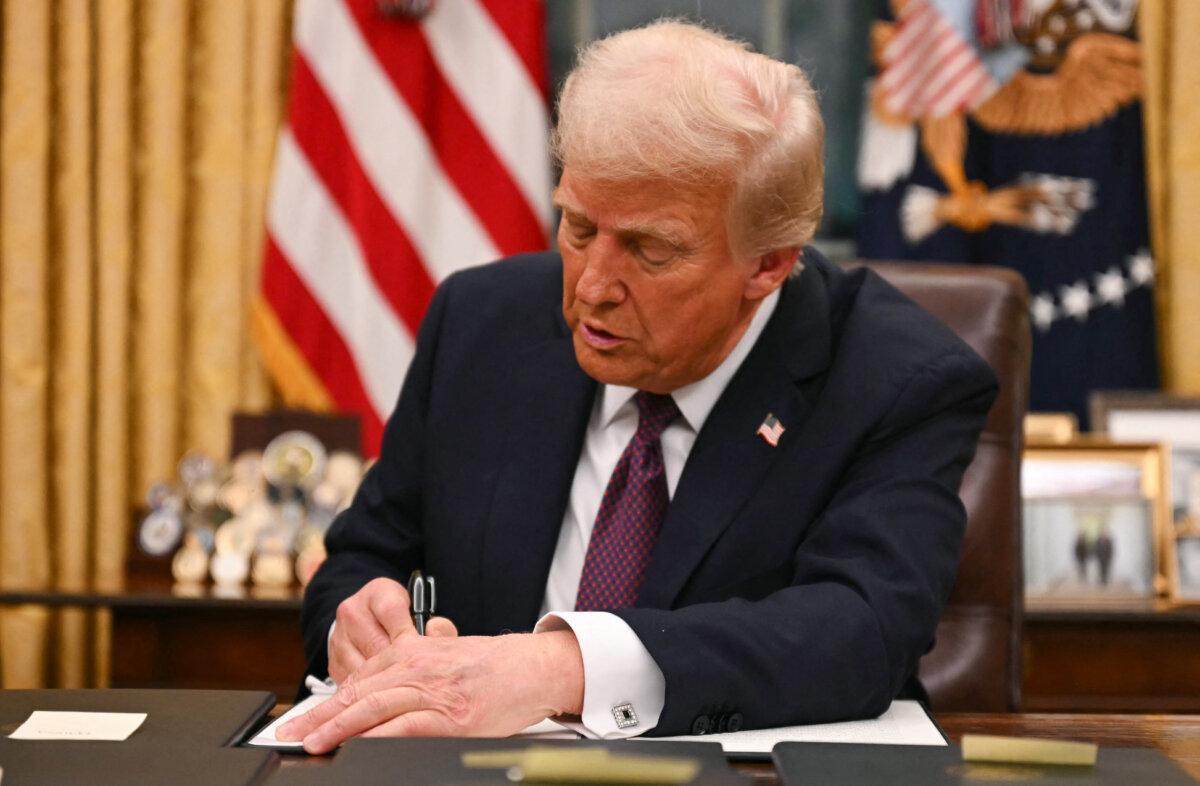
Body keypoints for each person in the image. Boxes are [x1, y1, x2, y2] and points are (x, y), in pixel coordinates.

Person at [278, 19, 998, 753]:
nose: (592, 287)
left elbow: (861, 631)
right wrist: (359, 621)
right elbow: (364, 557)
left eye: (650, 251)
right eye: (579, 226)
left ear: (769, 264)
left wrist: (565, 667)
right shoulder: (480, 324)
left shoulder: (896, 379)